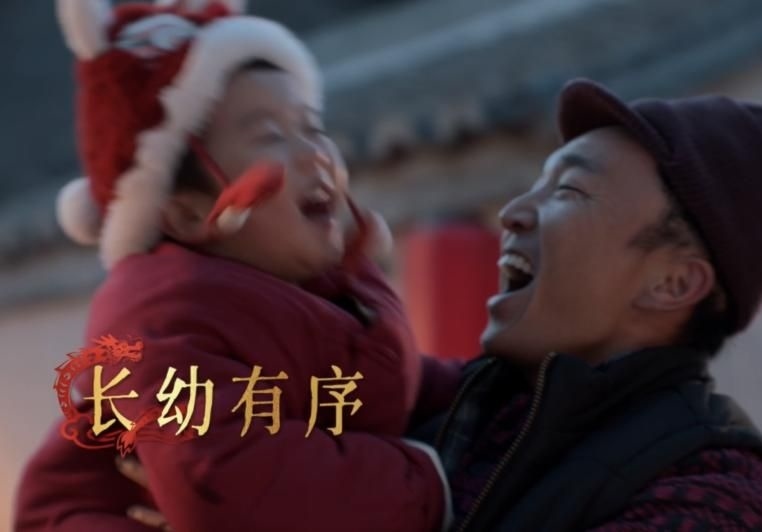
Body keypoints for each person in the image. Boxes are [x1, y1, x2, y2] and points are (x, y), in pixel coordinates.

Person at [116, 77, 762, 531]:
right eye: (534, 184)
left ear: (672, 283)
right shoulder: (446, 415)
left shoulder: (725, 498)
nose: (515, 212)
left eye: (569, 192)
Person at [14, 1, 453, 531]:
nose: (315, 154)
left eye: (312, 128)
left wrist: (494, 388)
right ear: (186, 213)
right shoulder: (163, 320)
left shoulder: (316, 291)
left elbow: (390, 389)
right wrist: (433, 481)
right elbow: (233, 480)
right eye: (270, 137)